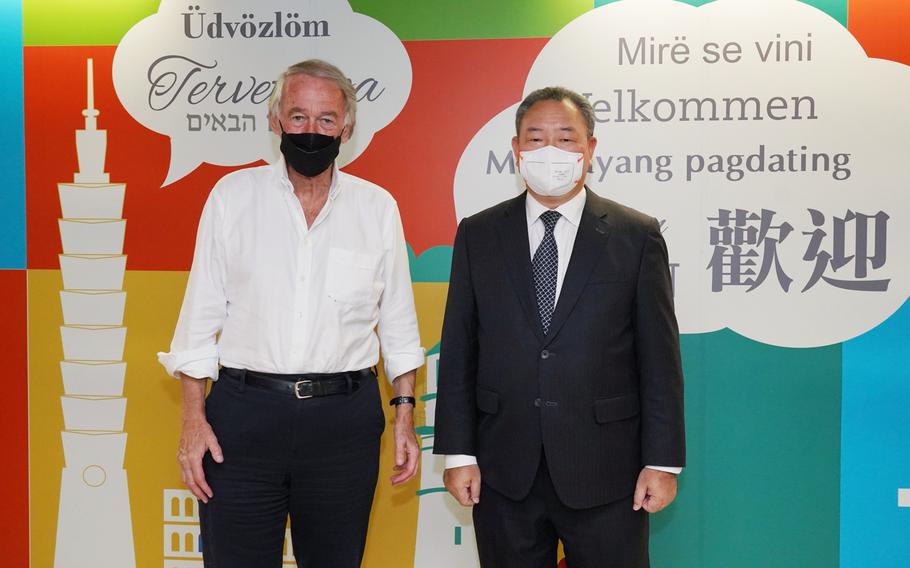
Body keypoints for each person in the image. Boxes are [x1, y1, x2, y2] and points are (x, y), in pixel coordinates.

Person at [158, 59, 425, 568]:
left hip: (343, 425)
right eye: (298, 116)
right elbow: (197, 323)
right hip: (242, 421)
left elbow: (398, 324)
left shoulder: (377, 208)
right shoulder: (231, 198)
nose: (311, 130)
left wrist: (405, 417)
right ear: (274, 120)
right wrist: (193, 420)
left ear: (346, 128)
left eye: (327, 120)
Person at [433, 86, 685, 567]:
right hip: (504, 470)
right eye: (536, 138)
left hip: (609, 471)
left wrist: (662, 461)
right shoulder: (479, 234)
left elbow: (659, 358)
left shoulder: (636, 235)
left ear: (590, 149)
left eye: (566, 138)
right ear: (516, 151)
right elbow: (461, 347)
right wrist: (458, 453)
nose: (551, 151)